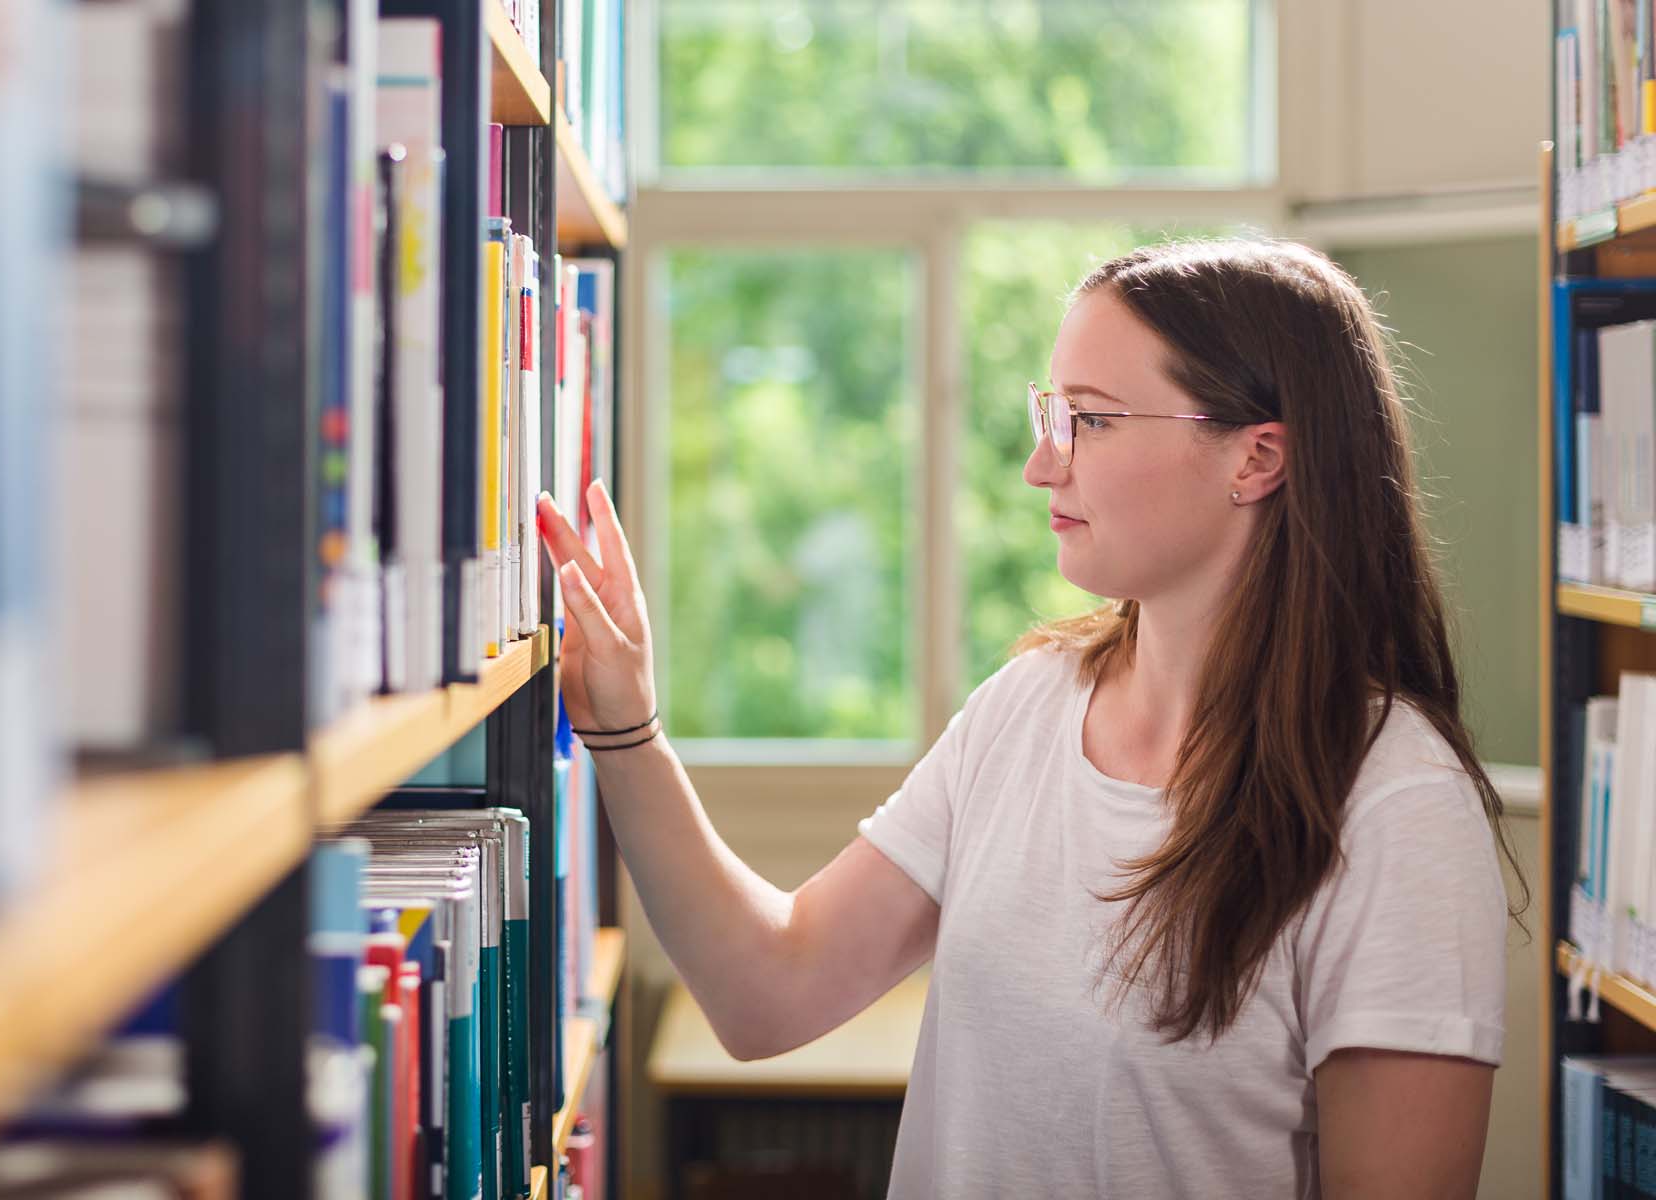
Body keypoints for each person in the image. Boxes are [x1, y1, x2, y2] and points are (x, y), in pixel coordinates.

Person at [534, 237, 1518, 1199]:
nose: (1042, 468)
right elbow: (766, 994)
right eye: (1052, 415)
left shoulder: (1395, 806)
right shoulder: (1029, 708)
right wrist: (627, 730)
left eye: (1090, 422)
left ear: (1256, 459)